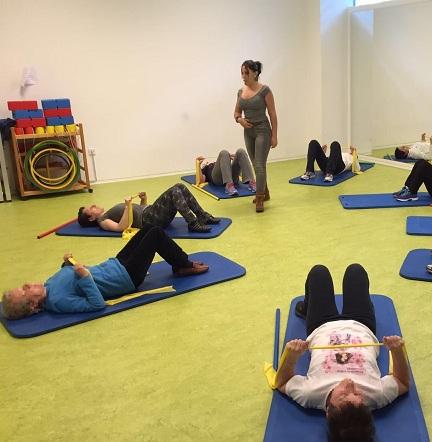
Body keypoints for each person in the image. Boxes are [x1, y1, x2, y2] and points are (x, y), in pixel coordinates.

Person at [276, 264, 410, 442]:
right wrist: (397, 351)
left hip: (321, 326)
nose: (350, 385)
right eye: (358, 396)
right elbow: (402, 382)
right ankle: (364, 304)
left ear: (328, 411)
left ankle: (306, 308)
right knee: (356, 272)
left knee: (319, 273)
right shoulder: (376, 396)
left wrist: (291, 356)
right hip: (361, 324)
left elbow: (282, 382)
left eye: (343, 395)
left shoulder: (310, 394)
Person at [1, 225, 209, 320]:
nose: (27, 285)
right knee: (155, 234)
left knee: (148, 229)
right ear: (34, 306)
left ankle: (180, 263)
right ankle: (183, 265)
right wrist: (84, 276)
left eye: (22, 286)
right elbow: (96, 304)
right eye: (25, 291)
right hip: (126, 277)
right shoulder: (58, 302)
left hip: (115, 264)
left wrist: (66, 263)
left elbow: (67, 276)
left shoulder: (48, 285)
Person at [77, 183, 219, 234]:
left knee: (179, 187)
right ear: (91, 218)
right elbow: (121, 227)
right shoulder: (103, 221)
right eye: (92, 208)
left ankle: (202, 216)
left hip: (150, 213)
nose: (94, 206)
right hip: (150, 220)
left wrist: (143, 200)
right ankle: (193, 223)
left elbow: (139, 210)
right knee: (175, 190)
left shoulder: (108, 213)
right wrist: (127, 207)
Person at [234, 60, 278, 213]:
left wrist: (274, 136)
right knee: (255, 163)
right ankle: (265, 192)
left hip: (262, 130)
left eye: (246, 73)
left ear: (255, 73)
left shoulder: (265, 91)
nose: (243, 76)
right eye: (242, 73)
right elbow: (236, 113)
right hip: (248, 132)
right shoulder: (241, 92)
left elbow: (272, 114)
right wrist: (240, 121)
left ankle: (259, 197)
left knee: (259, 164)